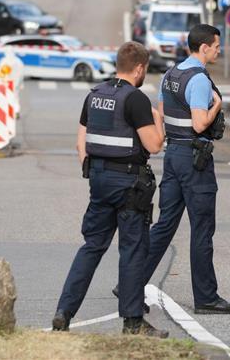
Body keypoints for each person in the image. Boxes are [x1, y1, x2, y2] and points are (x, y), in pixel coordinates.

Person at [52, 41, 168, 337]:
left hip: (99, 181)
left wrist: (95, 173)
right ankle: (132, 322)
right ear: (140, 68)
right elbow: (154, 145)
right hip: (129, 183)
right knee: (132, 250)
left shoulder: (95, 95)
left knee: (91, 247)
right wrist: (159, 121)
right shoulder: (136, 99)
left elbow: (81, 143)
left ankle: (63, 313)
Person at [143, 24, 230, 314]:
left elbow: (160, 111)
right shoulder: (198, 79)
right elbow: (199, 124)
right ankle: (206, 298)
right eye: (217, 46)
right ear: (204, 47)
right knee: (202, 229)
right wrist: (217, 105)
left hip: (173, 155)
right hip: (195, 160)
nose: (219, 50)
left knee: (165, 224)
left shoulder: (171, 74)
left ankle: (130, 282)